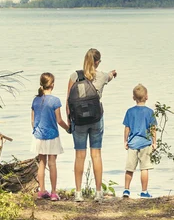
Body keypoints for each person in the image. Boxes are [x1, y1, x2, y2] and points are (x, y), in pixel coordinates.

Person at [67, 48, 117, 202]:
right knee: (96, 155)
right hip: (96, 120)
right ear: (97, 62)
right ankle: (98, 193)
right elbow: (109, 76)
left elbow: (68, 100)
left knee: (79, 156)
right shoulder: (101, 76)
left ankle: (78, 193)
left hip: (79, 121)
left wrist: (69, 120)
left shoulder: (74, 76)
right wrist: (113, 74)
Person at [31, 72, 69, 201]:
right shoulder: (55, 101)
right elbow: (59, 120)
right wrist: (68, 128)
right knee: (52, 163)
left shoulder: (35, 100)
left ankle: (41, 191)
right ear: (52, 85)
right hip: (52, 135)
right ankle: (53, 192)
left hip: (39, 136)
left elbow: (32, 121)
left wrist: (36, 131)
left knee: (42, 163)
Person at [122, 83, 157, 199]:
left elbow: (127, 128)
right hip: (145, 143)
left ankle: (126, 190)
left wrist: (125, 141)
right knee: (144, 168)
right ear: (146, 97)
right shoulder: (150, 112)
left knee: (129, 168)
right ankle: (144, 191)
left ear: (133, 98)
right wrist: (154, 142)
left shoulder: (130, 112)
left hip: (132, 143)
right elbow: (153, 129)